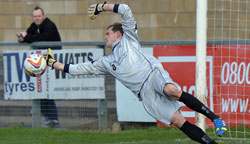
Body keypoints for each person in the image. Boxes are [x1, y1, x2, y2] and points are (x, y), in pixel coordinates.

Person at [45, 2, 227, 143]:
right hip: (144, 93)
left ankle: (215, 118)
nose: (104, 37)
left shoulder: (129, 38)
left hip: (151, 73)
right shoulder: (106, 62)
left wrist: (102, 7)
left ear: (118, 34)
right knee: (179, 121)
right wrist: (53, 64)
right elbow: (77, 69)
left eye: (107, 33)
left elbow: (125, 9)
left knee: (172, 90)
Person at [17, 6, 60, 128]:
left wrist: (27, 38)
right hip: (41, 63)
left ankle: (52, 118)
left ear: (44, 16)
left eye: (39, 16)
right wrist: (22, 38)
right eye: (35, 16)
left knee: (46, 89)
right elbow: (28, 35)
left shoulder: (49, 26)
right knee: (41, 89)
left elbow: (42, 39)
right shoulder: (34, 26)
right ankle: (47, 116)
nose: (37, 18)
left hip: (52, 63)